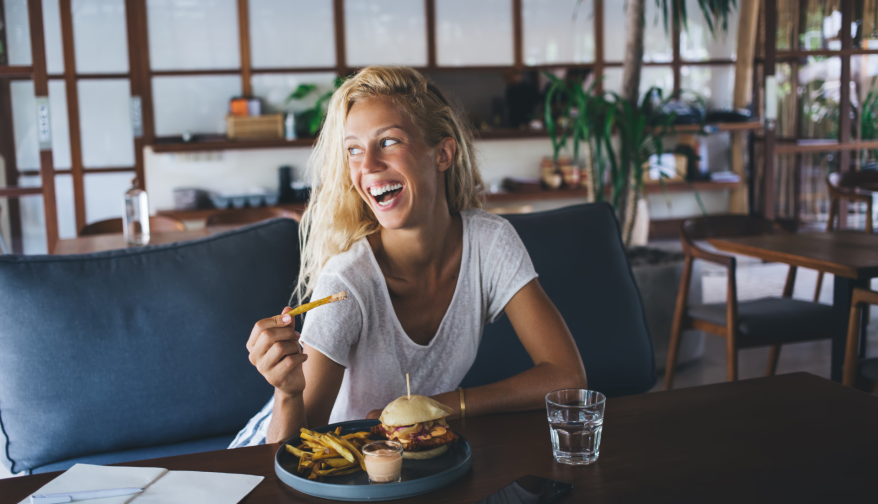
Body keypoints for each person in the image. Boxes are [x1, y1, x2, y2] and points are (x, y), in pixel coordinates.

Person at [231, 67, 586, 447]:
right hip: (280, 446)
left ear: (443, 154)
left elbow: (568, 378)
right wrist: (287, 392)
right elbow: (293, 453)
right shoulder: (346, 283)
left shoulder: (490, 242)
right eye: (353, 149)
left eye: (387, 142)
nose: (367, 165)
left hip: (406, 457)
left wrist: (437, 407)